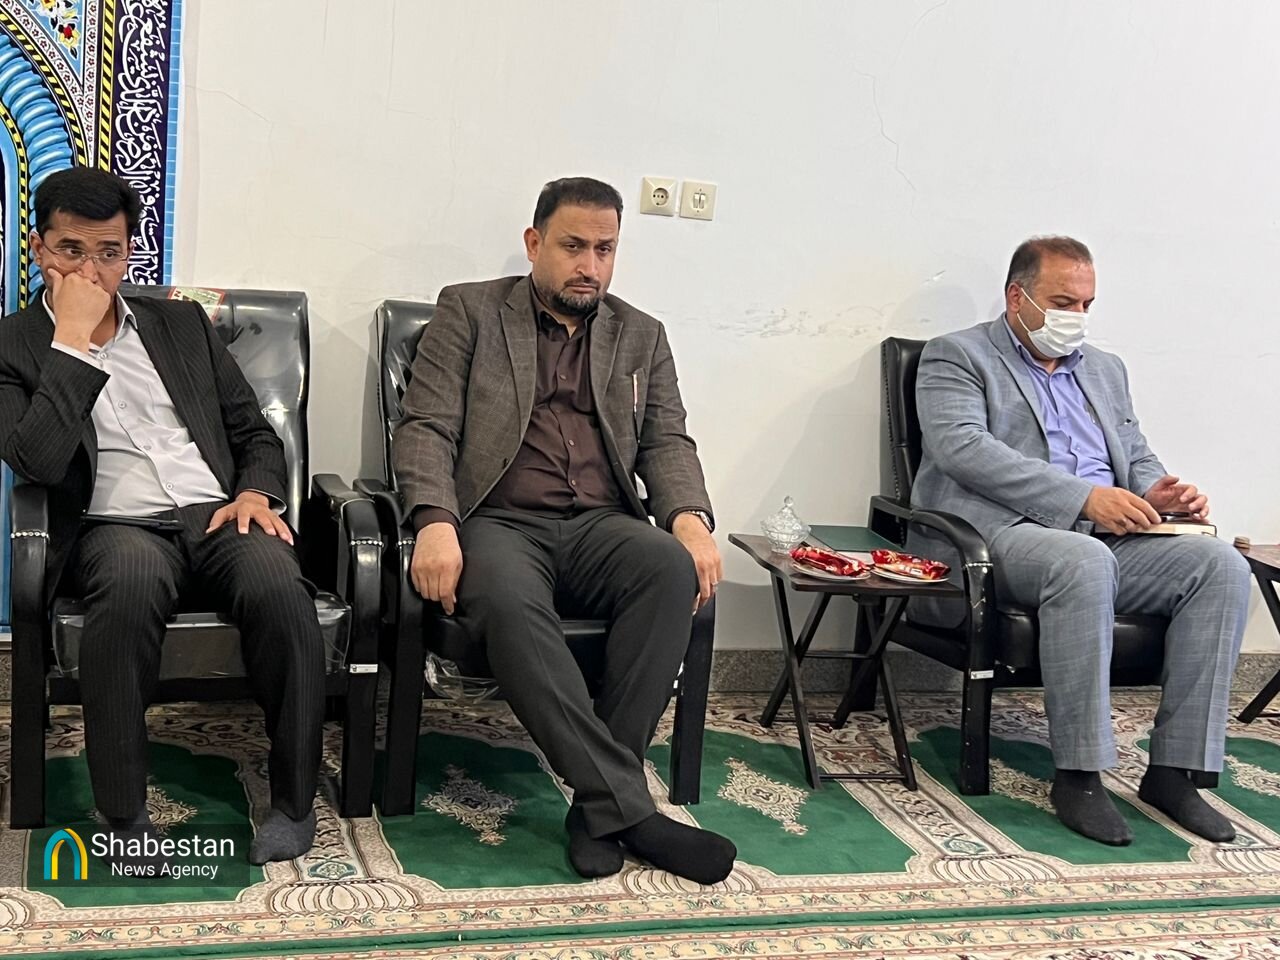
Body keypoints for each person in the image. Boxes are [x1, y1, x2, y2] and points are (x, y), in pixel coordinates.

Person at [395, 177, 736, 883]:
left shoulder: (641, 334)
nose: (590, 265)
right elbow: (426, 426)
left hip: (602, 523)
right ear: (534, 243)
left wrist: (690, 519)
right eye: (573, 246)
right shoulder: (470, 311)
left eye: (605, 249)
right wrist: (433, 522)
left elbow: (666, 440)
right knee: (508, 602)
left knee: (669, 567)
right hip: (499, 520)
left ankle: (597, 807)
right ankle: (628, 809)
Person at [0, 167, 324, 864]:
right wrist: (73, 344)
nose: (91, 271)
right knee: (128, 587)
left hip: (216, 512)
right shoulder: (13, 344)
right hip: (113, 526)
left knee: (278, 584)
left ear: (129, 253)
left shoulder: (180, 325)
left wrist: (255, 493)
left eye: (109, 252)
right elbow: (39, 462)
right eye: (71, 251)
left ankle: (295, 803)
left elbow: (254, 432)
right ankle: (124, 814)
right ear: (38, 248)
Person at [910, 236, 1248, 846]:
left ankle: (1176, 773)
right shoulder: (956, 355)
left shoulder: (1105, 369)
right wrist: (1083, 499)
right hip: (1000, 533)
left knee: (1220, 565)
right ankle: (1080, 775)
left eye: (1088, 304)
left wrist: (1159, 494)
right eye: (1064, 303)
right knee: (1084, 561)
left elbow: (1134, 454)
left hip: (1104, 532)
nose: (1078, 317)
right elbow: (963, 450)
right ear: (1017, 298)